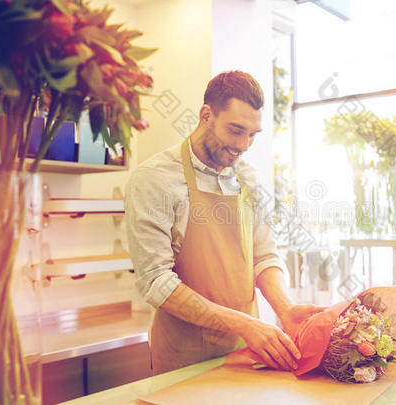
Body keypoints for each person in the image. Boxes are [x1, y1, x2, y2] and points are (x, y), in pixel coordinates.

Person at [125, 70, 324, 374]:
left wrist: (285, 309)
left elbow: (264, 255)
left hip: (248, 354)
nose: (244, 145)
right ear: (206, 115)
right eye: (235, 130)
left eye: (252, 135)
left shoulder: (247, 177)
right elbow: (156, 282)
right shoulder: (155, 179)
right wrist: (245, 324)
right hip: (183, 360)